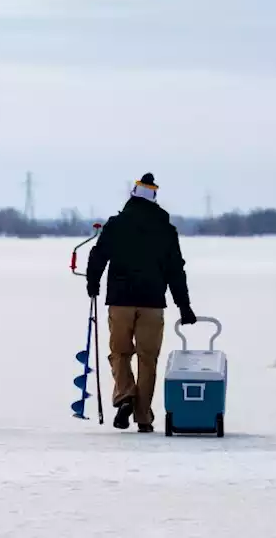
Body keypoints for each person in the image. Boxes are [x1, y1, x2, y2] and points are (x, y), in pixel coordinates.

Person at [86, 173, 196, 433]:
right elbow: (175, 271)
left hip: (120, 301)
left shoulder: (116, 224)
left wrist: (93, 284)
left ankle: (125, 395)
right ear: (155, 198)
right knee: (148, 359)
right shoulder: (166, 230)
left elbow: (98, 255)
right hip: (152, 303)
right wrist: (184, 305)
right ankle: (143, 417)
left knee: (120, 353)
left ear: (132, 196)